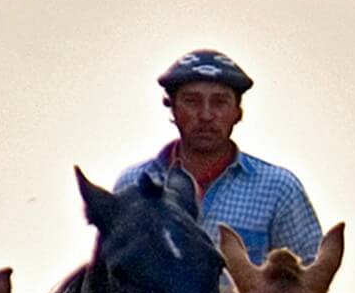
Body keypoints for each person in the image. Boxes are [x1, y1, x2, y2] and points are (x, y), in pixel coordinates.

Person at [114, 50, 322, 262]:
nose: (205, 115)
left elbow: (309, 277)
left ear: (238, 112)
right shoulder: (134, 184)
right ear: (173, 108)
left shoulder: (278, 189)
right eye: (192, 101)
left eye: (219, 102)